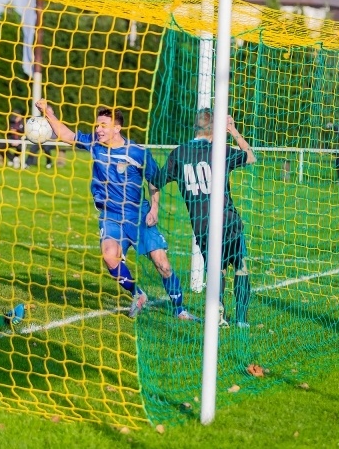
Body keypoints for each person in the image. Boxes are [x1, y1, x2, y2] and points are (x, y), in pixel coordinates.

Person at [35, 98, 195, 320]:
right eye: (97, 125)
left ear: (117, 128)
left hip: (138, 214)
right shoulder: (94, 144)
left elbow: (154, 181)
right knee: (110, 256)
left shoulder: (138, 152)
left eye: (103, 126)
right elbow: (67, 135)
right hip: (110, 216)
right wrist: (47, 113)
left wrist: (155, 209)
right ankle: (137, 294)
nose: (98, 129)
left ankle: (181, 310)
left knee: (162, 264)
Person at [153, 109, 256, 328]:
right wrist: (233, 131)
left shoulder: (179, 153)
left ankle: (218, 312)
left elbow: (155, 182)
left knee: (216, 269)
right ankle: (241, 319)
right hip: (228, 221)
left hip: (202, 225)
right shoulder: (219, 150)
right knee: (240, 266)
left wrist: (154, 209)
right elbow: (250, 156)